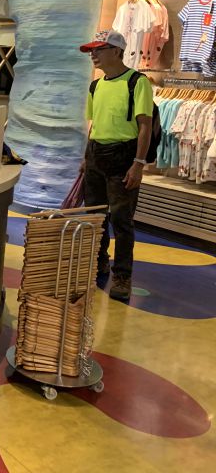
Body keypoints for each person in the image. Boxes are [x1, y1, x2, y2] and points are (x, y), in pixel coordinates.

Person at [80, 30, 153, 302]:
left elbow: (145, 126)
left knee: (122, 220)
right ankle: (99, 261)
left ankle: (122, 275)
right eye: (91, 50)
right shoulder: (95, 86)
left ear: (117, 51)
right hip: (95, 155)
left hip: (123, 157)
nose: (93, 55)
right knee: (95, 216)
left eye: (99, 49)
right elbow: (94, 124)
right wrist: (85, 157)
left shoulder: (137, 82)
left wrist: (138, 164)